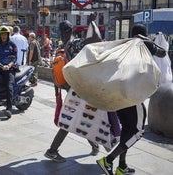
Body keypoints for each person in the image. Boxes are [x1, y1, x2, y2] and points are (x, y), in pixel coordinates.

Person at [96, 24, 166, 175]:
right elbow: (163, 53)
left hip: (118, 94)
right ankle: (108, 160)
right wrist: (148, 40)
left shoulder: (126, 44)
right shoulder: (143, 43)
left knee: (127, 129)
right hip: (132, 96)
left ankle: (122, 166)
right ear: (143, 34)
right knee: (137, 131)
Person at [44, 20, 101, 163]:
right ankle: (52, 150)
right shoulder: (75, 43)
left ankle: (94, 144)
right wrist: (91, 23)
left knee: (83, 117)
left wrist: (57, 90)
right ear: (71, 31)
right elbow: (96, 39)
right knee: (74, 119)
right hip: (78, 89)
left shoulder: (62, 47)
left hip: (70, 88)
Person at [0, 26, 18, 118]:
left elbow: (15, 58)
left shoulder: (12, 45)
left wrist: (9, 65)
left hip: (9, 68)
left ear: (8, 35)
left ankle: (9, 108)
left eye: (5, 34)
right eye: (2, 34)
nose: (3, 36)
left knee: (9, 86)